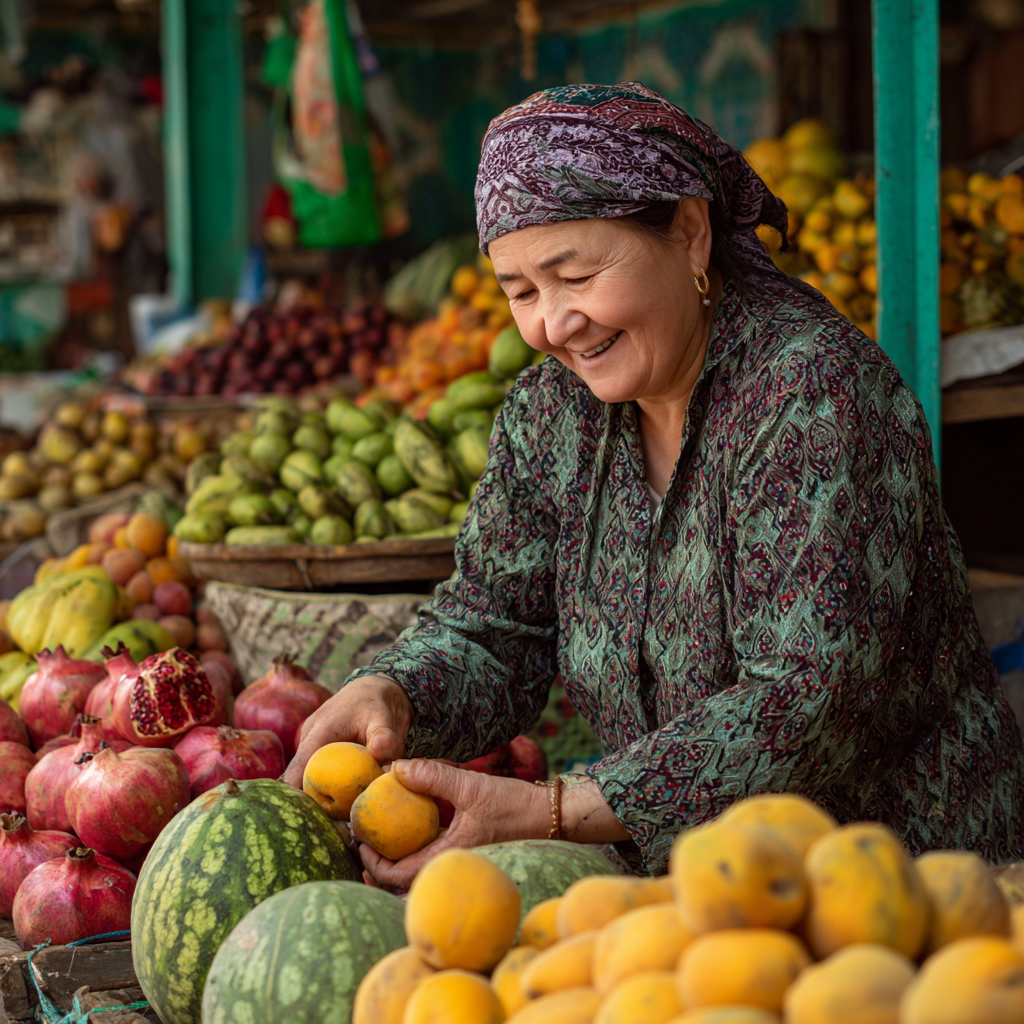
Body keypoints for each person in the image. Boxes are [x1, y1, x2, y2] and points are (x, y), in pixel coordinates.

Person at [284, 82, 1024, 887]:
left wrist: (554, 812)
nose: (554, 324)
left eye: (575, 275)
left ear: (691, 232)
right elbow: (495, 623)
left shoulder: (815, 394)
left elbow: (809, 699)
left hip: (904, 890)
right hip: (705, 895)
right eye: (521, 292)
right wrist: (394, 691)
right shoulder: (550, 415)